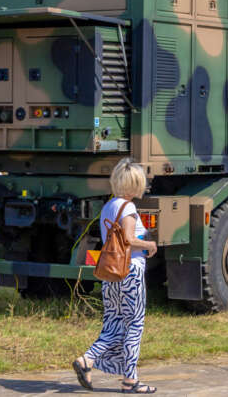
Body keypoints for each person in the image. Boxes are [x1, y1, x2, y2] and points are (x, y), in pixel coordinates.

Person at [73, 158, 158, 393]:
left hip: (111, 274)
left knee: (114, 323)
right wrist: (149, 245)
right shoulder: (128, 208)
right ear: (135, 184)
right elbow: (128, 240)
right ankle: (128, 380)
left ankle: (89, 360)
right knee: (134, 325)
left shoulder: (109, 206)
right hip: (130, 272)